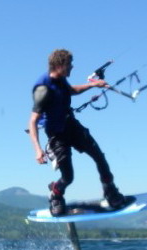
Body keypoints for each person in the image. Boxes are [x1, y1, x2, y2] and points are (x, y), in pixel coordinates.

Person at [28, 49, 125, 216]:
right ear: (59, 66)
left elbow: (71, 90)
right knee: (68, 177)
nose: (72, 67)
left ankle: (110, 192)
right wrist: (37, 150)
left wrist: (93, 85)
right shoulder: (43, 88)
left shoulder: (61, 80)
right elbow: (32, 121)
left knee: (100, 158)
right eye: (69, 64)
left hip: (72, 126)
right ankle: (56, 194)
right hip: (57, 135)